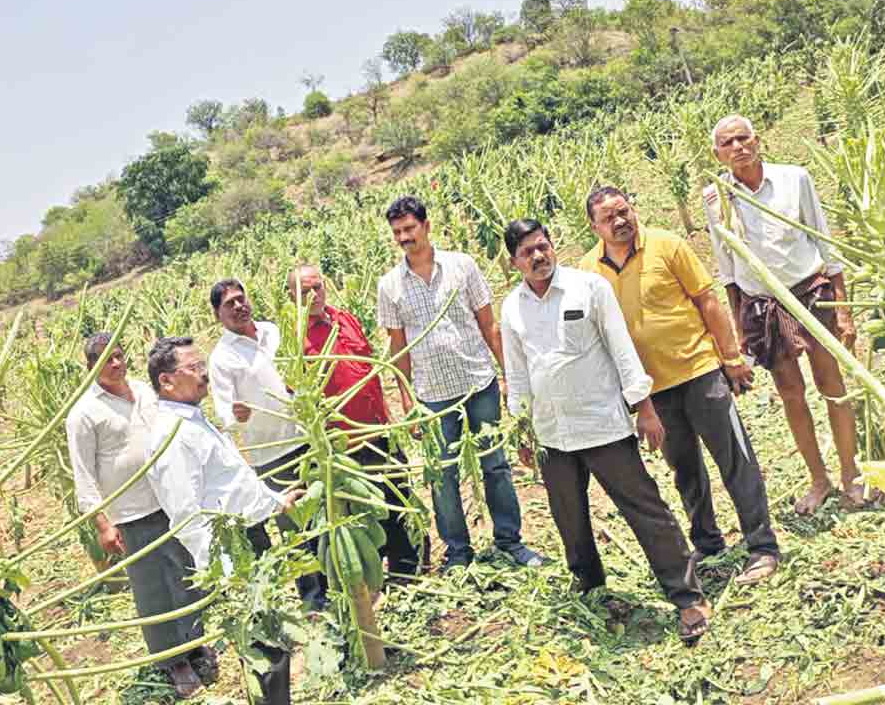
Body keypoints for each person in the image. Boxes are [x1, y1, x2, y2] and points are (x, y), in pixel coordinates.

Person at [500, 219, 711, 642]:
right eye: (528, 253)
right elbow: (517, 373)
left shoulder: (588, 288)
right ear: (514, 262)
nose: (538, 257)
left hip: (602, 424)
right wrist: (521, 427)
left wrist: (645, 409)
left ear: (552, 244)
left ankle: (687, 596)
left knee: (645, 510)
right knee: (569, 519)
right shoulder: (511, 308)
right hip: (551, 434)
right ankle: (591, 590)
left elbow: (622, 349)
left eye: (542, 246)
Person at [579, 187, 780, 584]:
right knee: (684, 468)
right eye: (609, 218)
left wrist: (731, 357)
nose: (620, 221)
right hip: (652, 390)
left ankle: (762, 546)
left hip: (699, 370)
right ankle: (708, 543)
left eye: (624, 211)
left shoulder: (667, 246)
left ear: (633, 208)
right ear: (594, 227)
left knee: (735, 459)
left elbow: (708, 301)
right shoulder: (587, 271)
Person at [704, 114, 874, 514]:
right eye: (727, 143)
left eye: (743, 138)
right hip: (762, 305)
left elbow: (822, 239)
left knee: (831, 384)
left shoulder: (794, 178)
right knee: (791, 394)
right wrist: (739, 324)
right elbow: (725, 264)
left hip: (809, 293)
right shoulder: (717, 198)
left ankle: (851, 474)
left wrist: (843, 306)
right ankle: (819, 479)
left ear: (757, 140)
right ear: (718, 153)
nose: (738, 147)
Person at [376, 195, 543, 571]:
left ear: (426, 225)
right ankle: (458, 552)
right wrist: (407, 400)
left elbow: (488, 325)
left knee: (495, 465)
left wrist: (507, 376)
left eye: (410, 228)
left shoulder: (462, 266)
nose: (405, 237)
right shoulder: (389, 286)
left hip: (478, 381)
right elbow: (397, 348)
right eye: (397, 232)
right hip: (432, 396)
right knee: (443, 475)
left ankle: (510, 542)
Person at [145, 336, 306, 705]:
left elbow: (232, 483)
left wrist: (276, 502)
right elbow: (187, 514)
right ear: (166, 381)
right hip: (231, 550)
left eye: (203, 364)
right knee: (264, 645)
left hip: (246, 536)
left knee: (271, 641)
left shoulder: (193, 420)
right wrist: (224, 567)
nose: (204, 373)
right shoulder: (171, 436)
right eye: (193, 368)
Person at [65, 333, 215, 699]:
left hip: (171, 498)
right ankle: (172, 661)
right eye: (104, 360)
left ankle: (195, 644)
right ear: (91, 368)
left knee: (186, 576)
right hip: (131, 513)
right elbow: (83, 473)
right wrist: (102, 523)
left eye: (118, 356)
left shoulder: (144, 391)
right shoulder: (84, 413)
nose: (115, 364)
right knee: (153, 591)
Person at [290, 264, 423, 577]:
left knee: (398, 496)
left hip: (379, 430)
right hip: (345, 444)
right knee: (367, 512)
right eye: (305, 291)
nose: (314, 295)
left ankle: (408, 571)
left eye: (317, 287)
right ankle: (374, 581)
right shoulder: (296, 338)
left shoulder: (344, 318)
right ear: (292, 297)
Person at [207, 278, 326, 609]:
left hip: (306, 437)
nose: (238, 307)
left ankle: (336, 583)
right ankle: (314, 600)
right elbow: (224, 412)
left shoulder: (274, 332)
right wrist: (237, 414)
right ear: (218, 314)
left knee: (324, 516)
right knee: (294, 529)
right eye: (229, 304)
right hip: (271, 455)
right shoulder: (222, 358)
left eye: (240, 299)